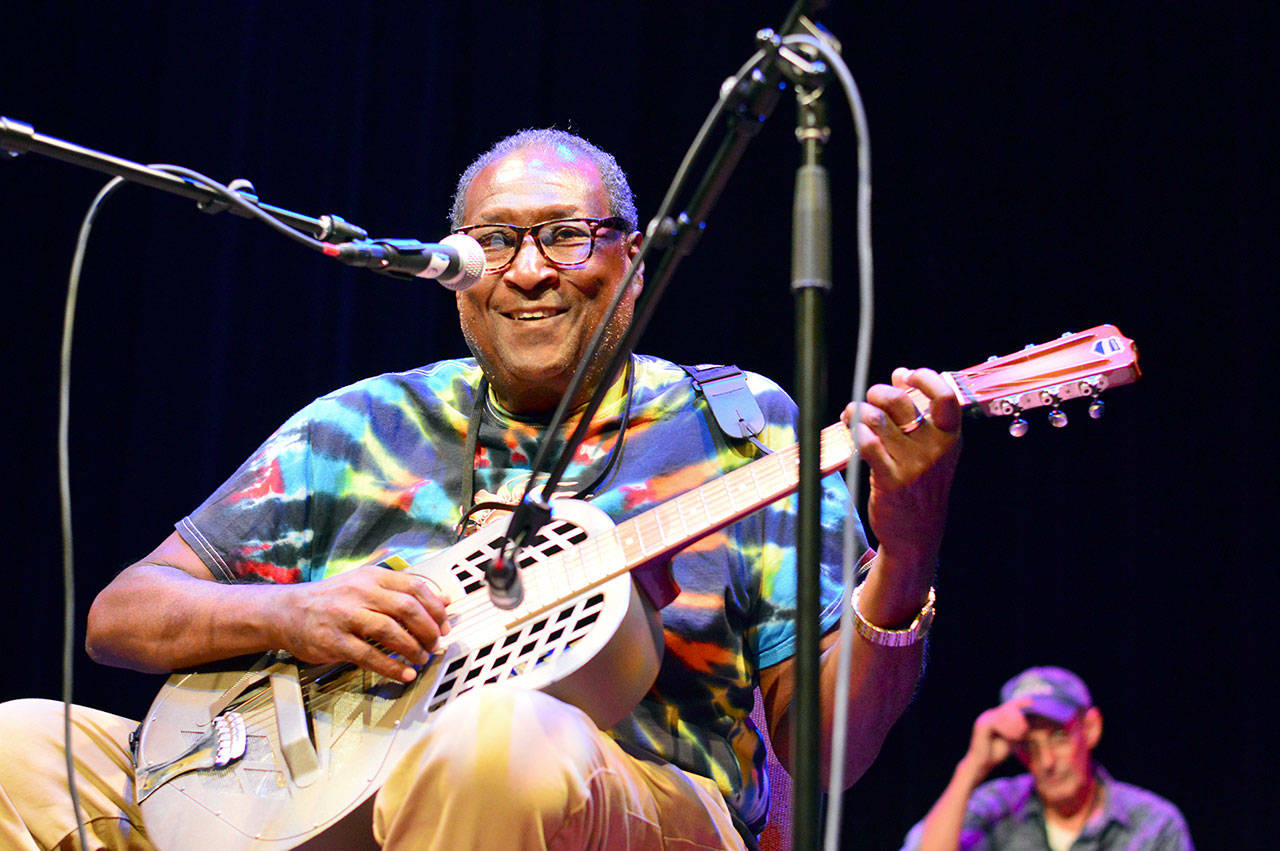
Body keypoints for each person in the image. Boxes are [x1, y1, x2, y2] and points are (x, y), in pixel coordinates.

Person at [0, 128, 961, 850]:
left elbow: (827, 749)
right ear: (454, 272)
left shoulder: (733, 426)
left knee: (492, 739)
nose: (531, 271)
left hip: (636, 805)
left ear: (633, 260)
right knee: (24, 747)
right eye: (496, 242)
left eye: (568, 237)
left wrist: (907, 544)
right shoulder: (366, 425)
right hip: (325, 794)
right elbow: (123, 613)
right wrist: (292, 613)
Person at [901, 666, 1193, 851]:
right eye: (1029, 746)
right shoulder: (996, 808)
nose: (1047, 761)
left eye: (1059, 737)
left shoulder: (1153, 824)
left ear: (1090, 729)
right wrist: (972, 768)